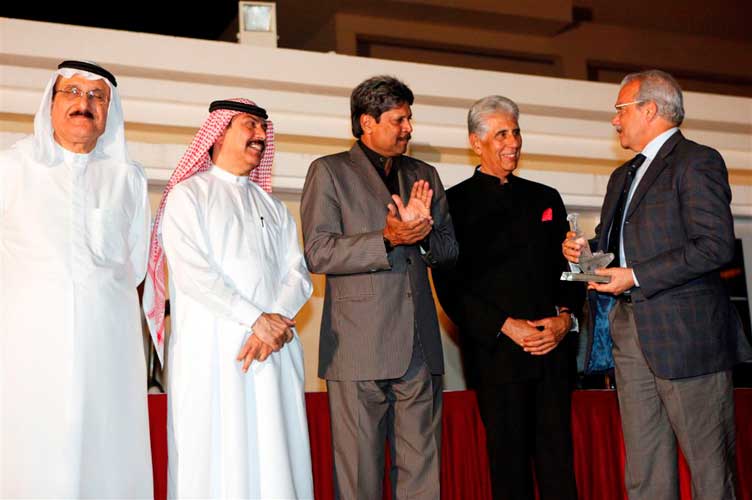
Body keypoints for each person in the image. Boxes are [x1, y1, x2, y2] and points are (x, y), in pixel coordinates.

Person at [562, 69, 752, 500]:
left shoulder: (697, 161)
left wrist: (635, 275)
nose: (614, 120)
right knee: (645, 473)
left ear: (649, 109)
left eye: (620, 109)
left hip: (688, 339)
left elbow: (715, 245)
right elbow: (614, 248)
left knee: (710, 473)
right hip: (630, 336)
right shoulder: (622, 175)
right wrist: (583, 253)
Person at [143, 98, 314, 498]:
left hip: (273, 351)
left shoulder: (273, 207)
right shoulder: (188, 196)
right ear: (218, 133)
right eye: (249, 125)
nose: (260, 134)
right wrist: (256, 319)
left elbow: (299, 273)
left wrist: (274, 321)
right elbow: (194, 272)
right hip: (214, 355)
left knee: (276, 455)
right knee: (217, 457)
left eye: (263, 128)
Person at [300, 75, 458, 500]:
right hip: (358, 346)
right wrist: (387, 238)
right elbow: (318, 253)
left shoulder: (424, 174)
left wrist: (422, 233)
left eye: (410, 119)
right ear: (367, 122)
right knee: (360, 477)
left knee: (422, 475)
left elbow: (448, 251)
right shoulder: (329, 171)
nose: (409, 128)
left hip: (419, 349)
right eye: (398, 120)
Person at [0, 60, 153, 498]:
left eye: (96, 96)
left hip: (106, 349)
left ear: (108, 111)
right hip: (27, 351)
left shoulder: (127, 179)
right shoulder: (11, 167)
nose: (83, 103)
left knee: (104, 452)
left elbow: (137, 263)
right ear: (50, 103)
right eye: (71, 92)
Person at [433, 95, 580, 500]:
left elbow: (570, 267)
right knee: (509, 471)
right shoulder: (452, 204)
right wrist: (505, 327)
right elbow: (449, 286)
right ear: (475, 142)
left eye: (515, 132)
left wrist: (565, 318)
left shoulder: (546, 197)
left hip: (552, 354)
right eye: (501, 134)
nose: (512, 142)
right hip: (496, 357)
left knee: (559, 469)